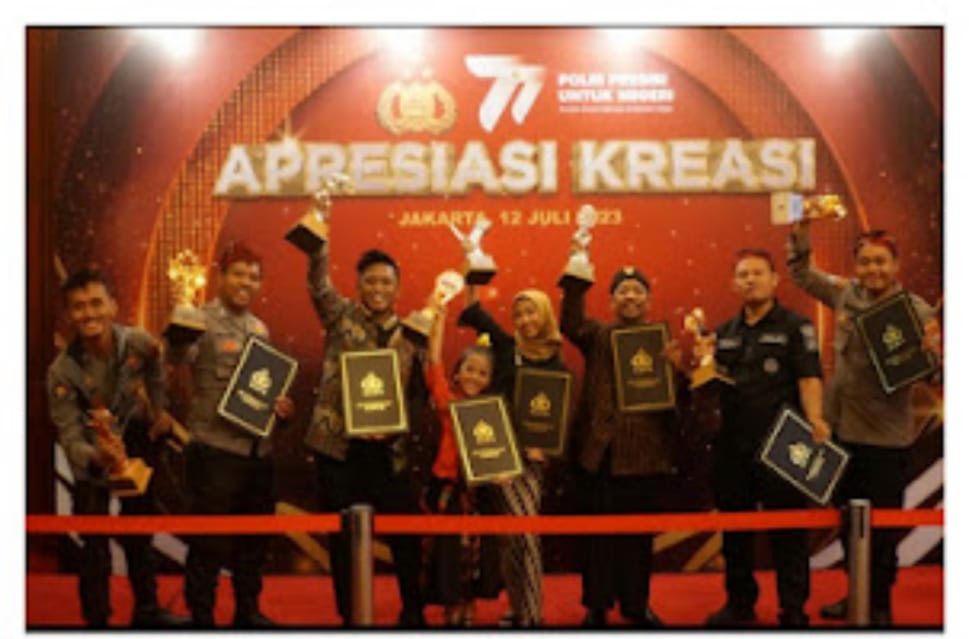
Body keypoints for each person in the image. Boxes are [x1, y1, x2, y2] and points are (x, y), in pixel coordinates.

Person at [788, 223, 941, 627]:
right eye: (866, 262)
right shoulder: (846, 294)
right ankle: (856, 594)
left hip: (885, 441)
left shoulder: (917, 312)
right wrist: (801, 235)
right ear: (856, 265)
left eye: (881, 262)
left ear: (896, 265)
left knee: (882, 531)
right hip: (840, 434)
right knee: (847, 525)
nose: (873, 269)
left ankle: (879, 605)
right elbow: (803, 274)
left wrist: (930, 356)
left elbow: (936, 376)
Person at [46, 268, 186, 628]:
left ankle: (148, 611)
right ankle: (97, 621)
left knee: (140, 530)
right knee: (93, 545)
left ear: (113, 306)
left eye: (96, 303)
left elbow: (156, 368)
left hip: (135, 441)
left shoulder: (138, 342)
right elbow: (69, 436)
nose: (89, 313)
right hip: (91, 458)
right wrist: (98, 456)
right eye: (78, 307)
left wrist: (159, 408)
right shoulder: (61, 372)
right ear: (69, 315)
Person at [699, 248, 829, 628]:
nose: (750, 280)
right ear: (733, 283)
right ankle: (739, 604)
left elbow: (809, 377)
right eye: (743, 274)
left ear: (774, 280)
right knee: (735, 534)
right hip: (733, 448)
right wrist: (700, 362)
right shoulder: (723, 333)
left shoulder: (796, 326)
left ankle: (793, 607)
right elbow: (710, 386)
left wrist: (816, 418)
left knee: (788, 532)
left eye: (758, 273)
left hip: (783, 445)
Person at [303, 245, 429, 627]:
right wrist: (319, 242)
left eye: (386, 282)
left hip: (390, 453)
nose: (378, 288)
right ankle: (351, 618)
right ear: (358, 285)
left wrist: (395, 429)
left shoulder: (412, 334)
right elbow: (317, 284)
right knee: (343, 540)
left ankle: (413, 613)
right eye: (370, 281)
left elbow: (418, 396)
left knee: (406, 537)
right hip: (339, 451)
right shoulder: (340, 316)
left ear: (397, 288)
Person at [171, 242, 294, 628]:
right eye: (238, 274)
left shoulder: (259, 328)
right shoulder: (198, 319)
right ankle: (201, 617)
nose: (246, 282)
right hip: (215, 450)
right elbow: (176, 358)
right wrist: (178, 325)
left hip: (257, 452)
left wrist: (280, 408)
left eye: (254, 277)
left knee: (253, 542)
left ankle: (247, 612)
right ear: (221, 277)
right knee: (207, 543)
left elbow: (262, 388)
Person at [559, 266, 683, 628]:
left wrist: (676, 372)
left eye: (637, 290)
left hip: (644, 454)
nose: (630, 296)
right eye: (623, 291)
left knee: (638, 539)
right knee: (597, 537)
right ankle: (596, 606)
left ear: (649, 300)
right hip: (599, 453)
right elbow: (570, 321)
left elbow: (677, 402)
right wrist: (577, 271)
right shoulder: (597, 334)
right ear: (611, 301)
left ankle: (636, 605)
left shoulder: (661, 342)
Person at [457, 286, 569, 627]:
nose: (524, 320)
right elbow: (478, 315)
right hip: (499, 456)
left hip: (531, 462)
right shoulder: (507, 350)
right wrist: (470, 277)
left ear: (545, 314)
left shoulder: (556, 360)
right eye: (518, 314)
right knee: (509, 538)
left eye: (531, 311)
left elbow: (559, 415)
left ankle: (532, 616)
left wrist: (547, 449)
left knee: (526, 536)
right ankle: (517, 608)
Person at [422, 298, 495, 626]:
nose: (474, 377)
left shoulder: (492, 411)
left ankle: (469, 603)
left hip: (479, 491)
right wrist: (439, 322)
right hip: (448, 487)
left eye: (482, 373)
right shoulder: (447, 402)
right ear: (457, 372)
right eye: (469, 369)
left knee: (474, 553)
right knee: (447, 553)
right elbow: (434, 361)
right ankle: (450, 604)